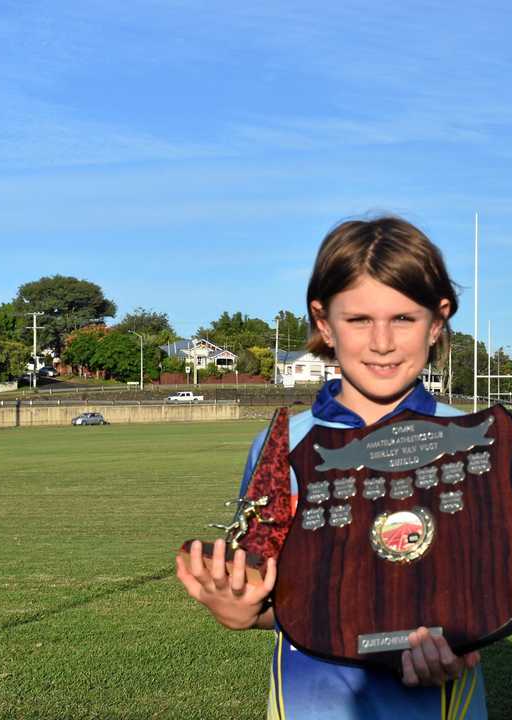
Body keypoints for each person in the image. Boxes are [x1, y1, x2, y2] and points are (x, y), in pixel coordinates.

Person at [175, 216, 487, 720]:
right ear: (323, 323)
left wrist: (469, 633)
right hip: (311, 700)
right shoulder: (283, 444)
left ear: (438, 320)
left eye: (404, 318)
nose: (381, 342)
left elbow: (487, 587)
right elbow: (278, 591)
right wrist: (243, 608)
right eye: (359, 319)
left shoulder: (473, 440)